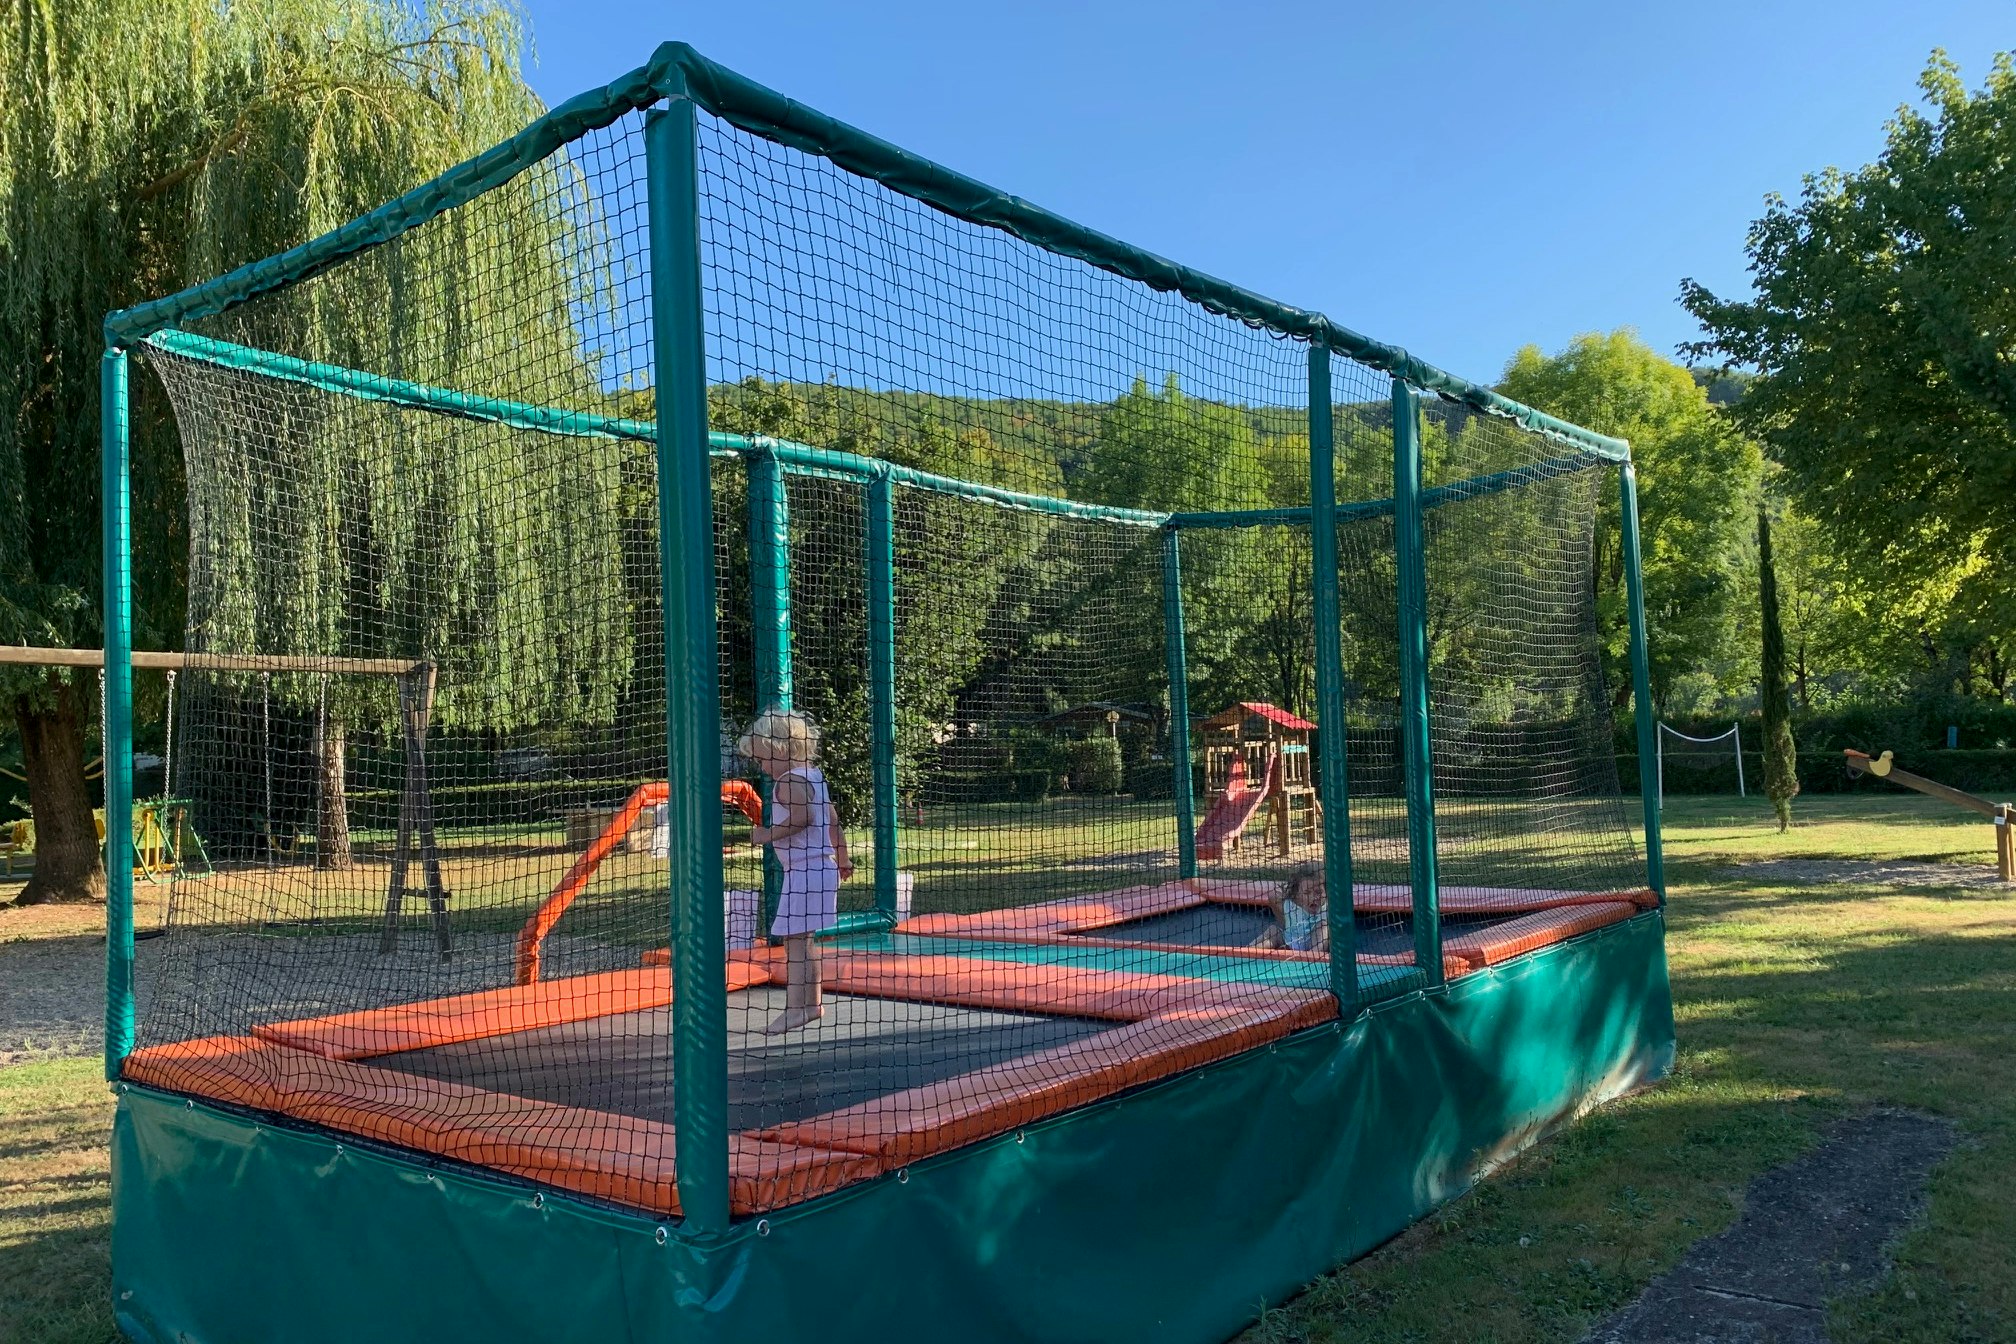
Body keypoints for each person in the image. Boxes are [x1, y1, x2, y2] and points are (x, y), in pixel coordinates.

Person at [740, 708, 853, 1033]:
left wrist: (767, 834)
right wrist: (842, 858)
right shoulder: (814, 777)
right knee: (803, 941)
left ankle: (795, 1009)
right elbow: (832, 821)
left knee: (795, 943)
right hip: (821, 869)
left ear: (781, 750)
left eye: (763, 759)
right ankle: (812, 1004)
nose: (762, 767)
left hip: (805, 871)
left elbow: (803, 818)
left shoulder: (788, 781)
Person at [1258, 862, 1327, 954]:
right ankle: (1245, 953)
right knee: (1273, 930)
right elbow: (1273, 897)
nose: (1313, 898)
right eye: (1307, 893)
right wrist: (1286, 923)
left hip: (1314, 946)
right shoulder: (1291, 905)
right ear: (1298, 895)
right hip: (1290, 942)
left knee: (1322, 926)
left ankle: (1312, 956)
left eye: (1318, 892)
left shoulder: (1330, 907)